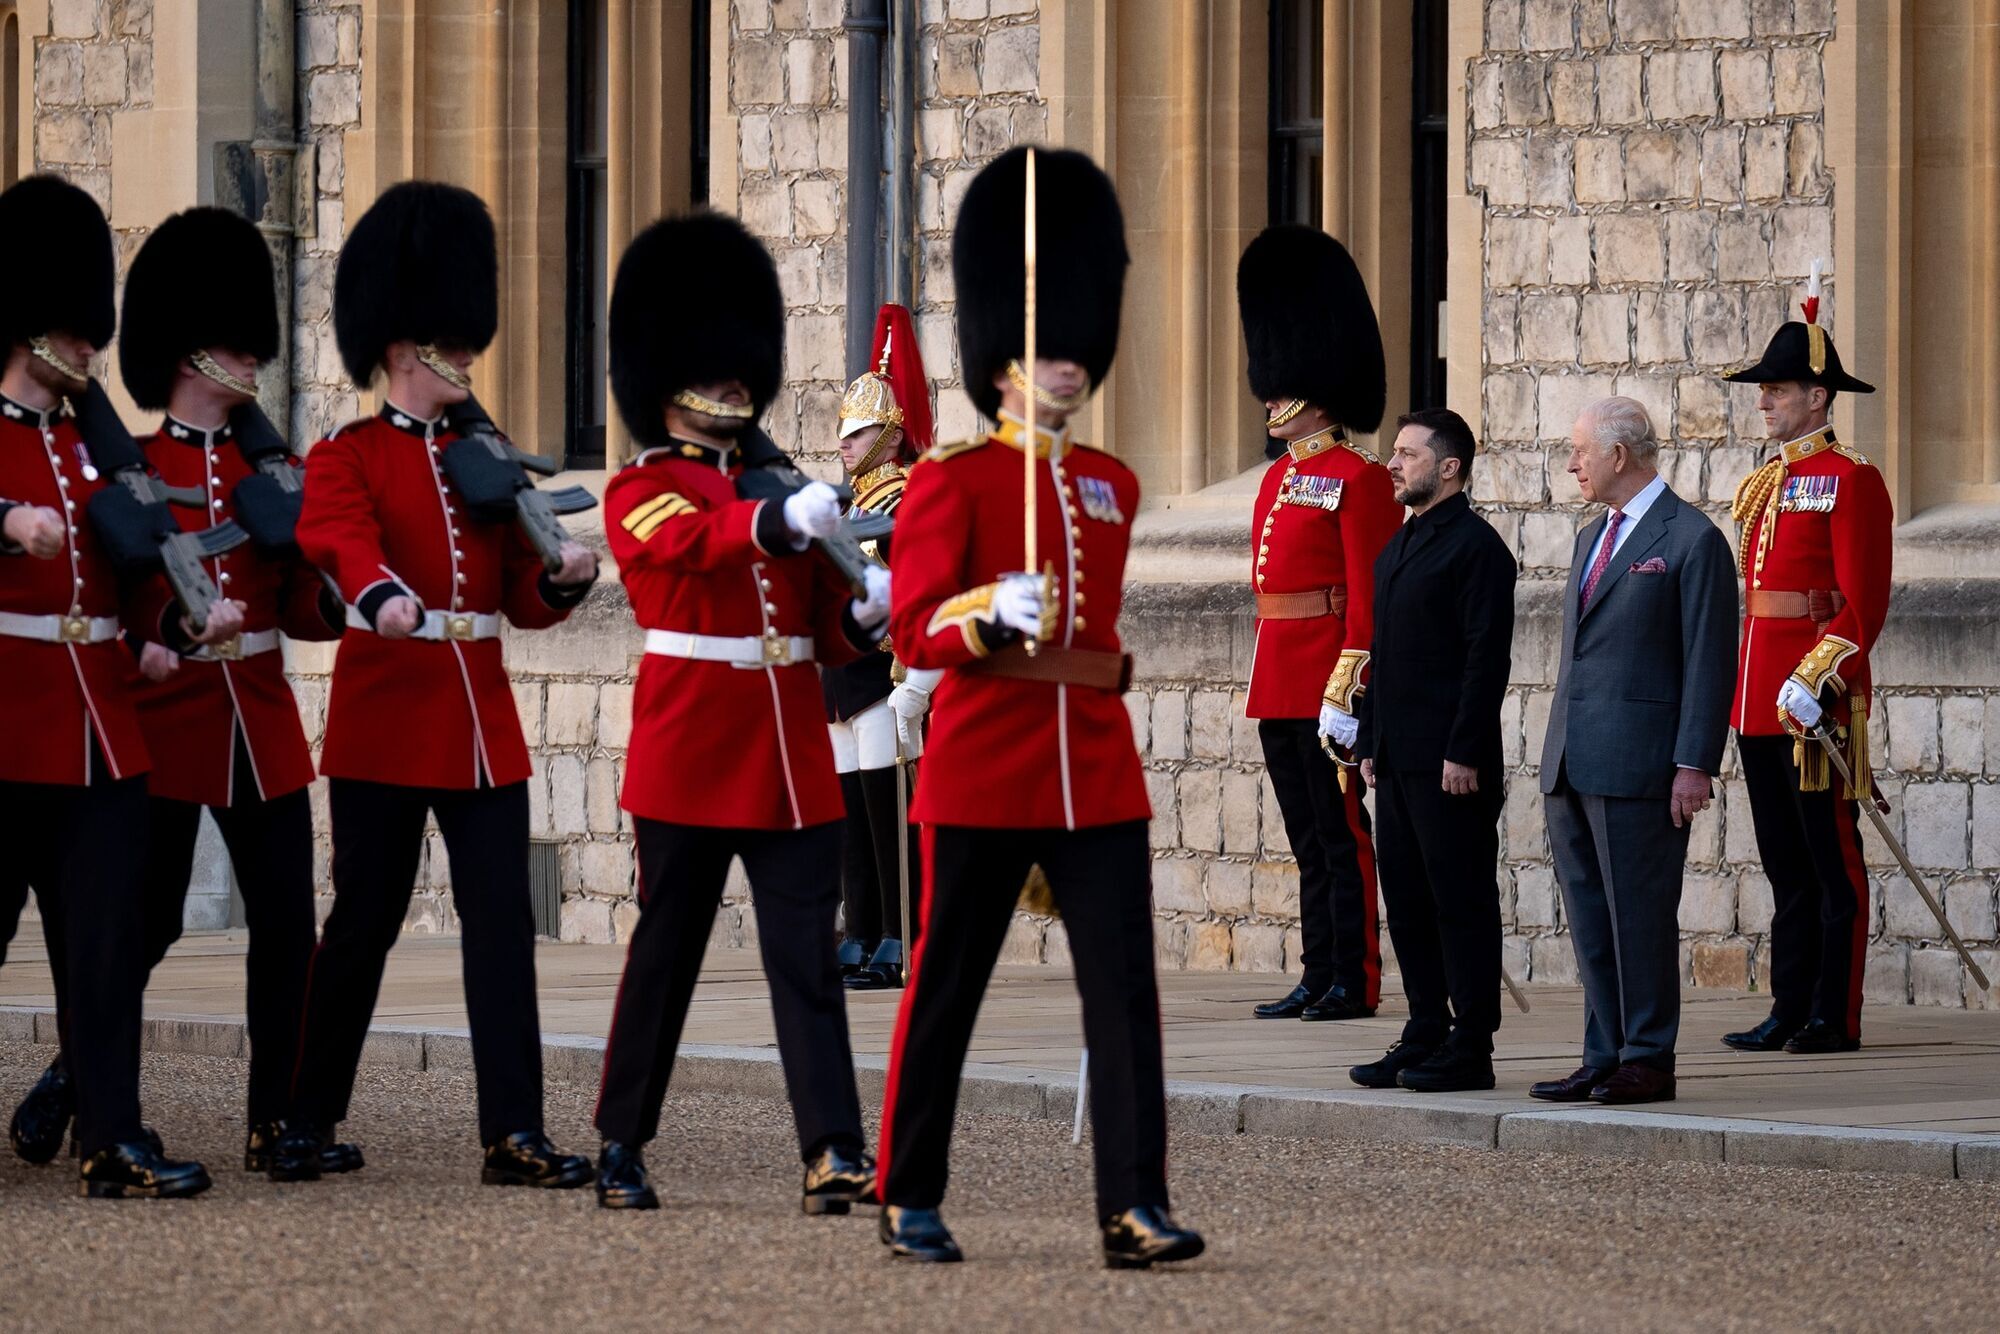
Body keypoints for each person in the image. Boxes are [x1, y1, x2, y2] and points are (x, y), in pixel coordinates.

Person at [876, 146, 1203, 1269]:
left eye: (1077, 345)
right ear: (1003, 360)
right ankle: (906, 1189)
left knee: (1123, 997)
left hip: (1095, 765)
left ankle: (1133, 1204)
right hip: (983, 760)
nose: (1067, 363)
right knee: (944, 989)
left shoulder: (1111, 482)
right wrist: (982, 612)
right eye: (1046, 346)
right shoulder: (949, 480)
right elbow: (915, 626)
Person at [5, 207, 357, 1178]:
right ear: (193, 353)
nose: (252, 357)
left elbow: (300, 599)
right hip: (157, 723)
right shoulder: (136, 466)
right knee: (138, 926)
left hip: (255, 722)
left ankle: (276, 1119)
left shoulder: (262, 470)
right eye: (234, 342)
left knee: (286, 920)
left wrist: (330, 589)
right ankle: (74, 1083)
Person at [281, 181, 599, 1186]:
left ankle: (512, 1131)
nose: (467, 360)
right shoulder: (349, 454)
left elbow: (514, 592)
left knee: (502, 925)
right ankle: (304, 1115)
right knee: (363, 925)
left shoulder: (483, 461)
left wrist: (561, 578)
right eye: (451, 347)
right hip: (387, 716)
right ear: (401, 350)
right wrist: (377, 594)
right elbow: (333, 537)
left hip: (479, 723)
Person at [589, 211, 886, 1215]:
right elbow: (688, 545)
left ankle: (832, 1147)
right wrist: (772, 518)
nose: (734, 387)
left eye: (738, 371)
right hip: (690, 748)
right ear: (669, 381)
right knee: (665, 956)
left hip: (789, 753)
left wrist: (864, 610)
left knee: (806, 961)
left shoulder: (780, 488)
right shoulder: (641, 486)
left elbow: (818, 629)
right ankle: (621, 1141)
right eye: (715, 373)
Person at [0, 174, 235, 1197]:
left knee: (104, 949)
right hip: (9, 719)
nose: (93, 348)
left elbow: (130, 568)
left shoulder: (91, 448)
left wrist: (173, 627)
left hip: (99, 724)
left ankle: (111, 1134)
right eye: (77, 328)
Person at [1531, 397, 1736, 1106]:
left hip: (1644, 763)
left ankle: (1647, 1055)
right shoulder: (1594, 537)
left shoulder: (1692, 538)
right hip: (1574, 757)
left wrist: (1694, 763)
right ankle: (1602, 1051)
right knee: (1589, 917)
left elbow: (1710, 661)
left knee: (1638, 916)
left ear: (1620, 455)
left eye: (1580, 449)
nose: (1571, 462)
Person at [1718, 284, 1890, 1056]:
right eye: (1765, 390)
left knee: (1830, 861)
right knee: (1785, 864)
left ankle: (1834, 1012)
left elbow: (1862, 604)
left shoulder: (1852, 480)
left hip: (1813, 701)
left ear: (1818, 396)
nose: (1765, 403)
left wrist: (1818, 674)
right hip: (1759, 698)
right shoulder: (1769, 482)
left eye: (1779, 390)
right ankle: (1789, 1004)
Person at [1236, 225, 1400, 1023]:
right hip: (1279, 680)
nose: (1269, 396)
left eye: (1280, 383)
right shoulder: (1278, 481)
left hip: (1329, 682)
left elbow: (1366, 596)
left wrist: (1351, 686)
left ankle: (1356, 979)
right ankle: (1316, 971)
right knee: (1306, 839)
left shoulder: (1357, 478)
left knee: (1343, 839)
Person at [1350, 408, 1515, 1094]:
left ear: (1449, 467)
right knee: (1411, 903)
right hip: (1400, 757)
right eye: (1394, 451)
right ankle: (1424, 1030)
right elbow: (1387, 656)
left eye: (1408, 454)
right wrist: (1371, 743)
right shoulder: (1402, 544)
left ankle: (1470, 1042)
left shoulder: (1476, 548)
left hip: (1452, 763)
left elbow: (1485, 660)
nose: (1392, 463)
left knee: (1461, 902)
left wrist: (1465, 750)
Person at [825, 303, 938, 991]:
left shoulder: (901, 503)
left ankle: (899, 933)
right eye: (844, 431)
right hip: (840, 678)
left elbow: (911, 590)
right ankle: (861, 929)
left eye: (859, 430)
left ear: (890, 437)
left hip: (880, 673)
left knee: (886, 813)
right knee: (851, 818)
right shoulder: (847, 506)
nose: (846, 442)